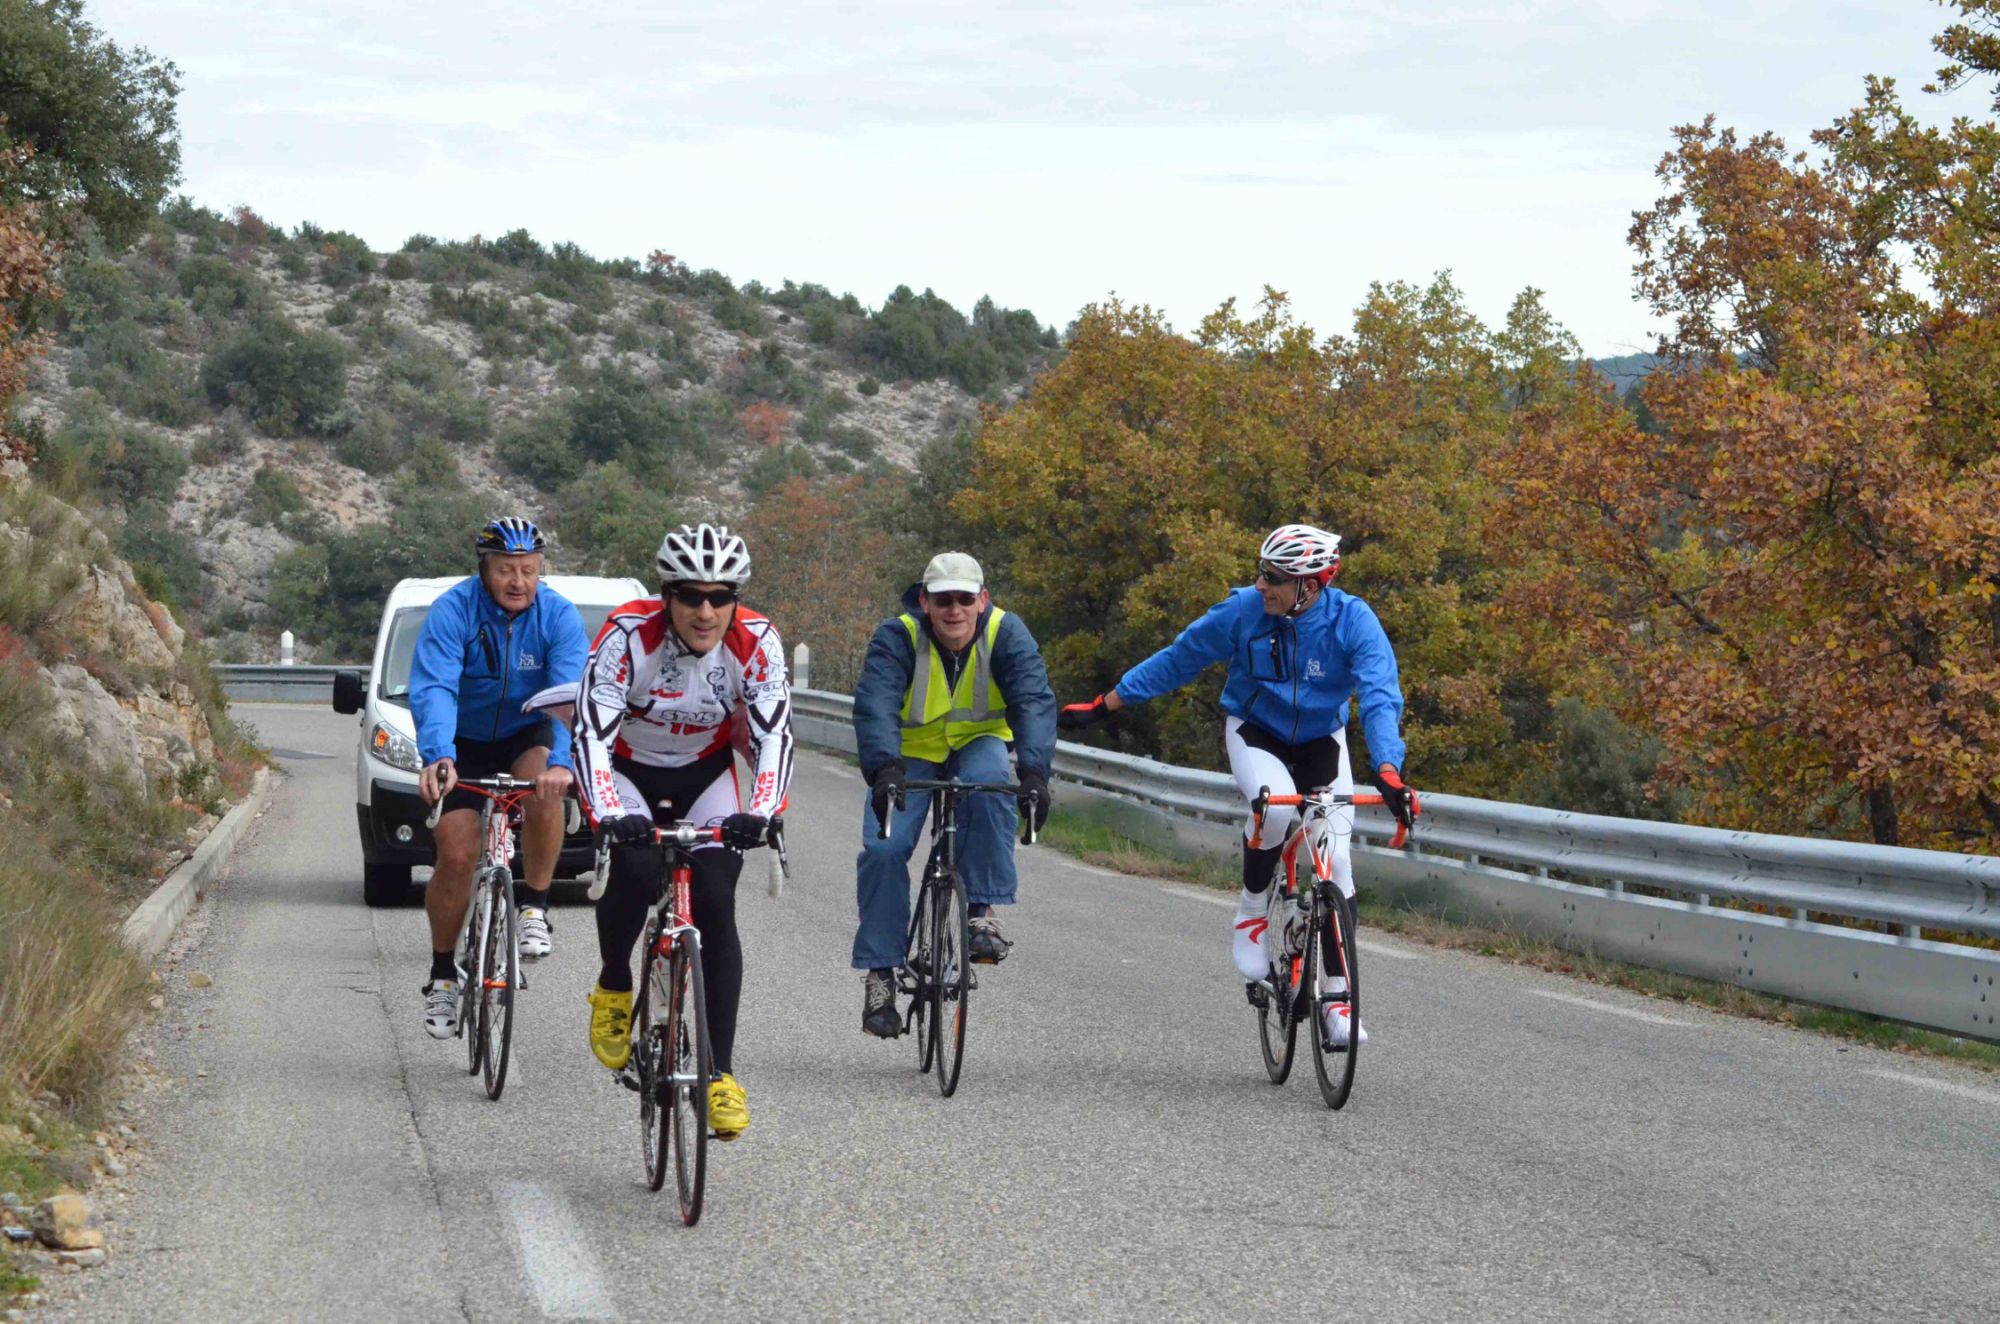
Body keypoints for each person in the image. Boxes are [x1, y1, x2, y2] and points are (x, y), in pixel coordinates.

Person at [1056, 523, 1416, 1048]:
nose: (1261, 584)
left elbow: (1381, 695)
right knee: (1274, 811)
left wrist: (1387, 769)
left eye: (1274, 577)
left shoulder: (1352, 621)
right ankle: (1251, 911)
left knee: (1336, 862)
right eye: (1260, 572)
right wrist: (1107, 704)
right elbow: (1179, 658)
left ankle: (1339, 1003)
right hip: (1256, 731)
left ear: (1310, 586)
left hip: (1322, 740)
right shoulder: (1244, 610)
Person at [569, 523, 792, 1141]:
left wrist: (764, 811)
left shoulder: (758, 641)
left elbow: (774, 735)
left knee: (717, 901)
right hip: (629, 770)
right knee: (638, 868)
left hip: (704, 772)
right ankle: (615, 983)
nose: (705, 611)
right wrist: (608, 812)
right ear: (666, 596)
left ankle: (720, 1075)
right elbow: (591, 734)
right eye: (691, 596)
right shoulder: (626, 636)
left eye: (721, 597)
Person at [851, 551, 1056, 1039]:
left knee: (990, 783)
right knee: (883, 849)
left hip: (977, 744)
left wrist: (1034, 773)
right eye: (943, 600)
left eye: (965, 599)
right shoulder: (898, 636)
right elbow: (876, 703)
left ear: (983, 599)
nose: (955, 610)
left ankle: (981, 913)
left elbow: (1032, 701)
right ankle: (881, 974)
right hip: (908, 754)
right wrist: (883, 769)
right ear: (924, 602)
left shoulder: (1006, 632)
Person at [411, 517, 588, 1041]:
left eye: (529, 570)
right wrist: (438, 756)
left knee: (544, 787)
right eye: (506, 570)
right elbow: (436, 686)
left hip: (525, 732)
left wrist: (564, 763)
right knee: (457, 855)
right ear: (484, 570)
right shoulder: (454, 611)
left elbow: (570, 694)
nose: (518, 581)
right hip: (461, 740)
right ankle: (443, 973)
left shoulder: (558, 616)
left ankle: (535, 905)